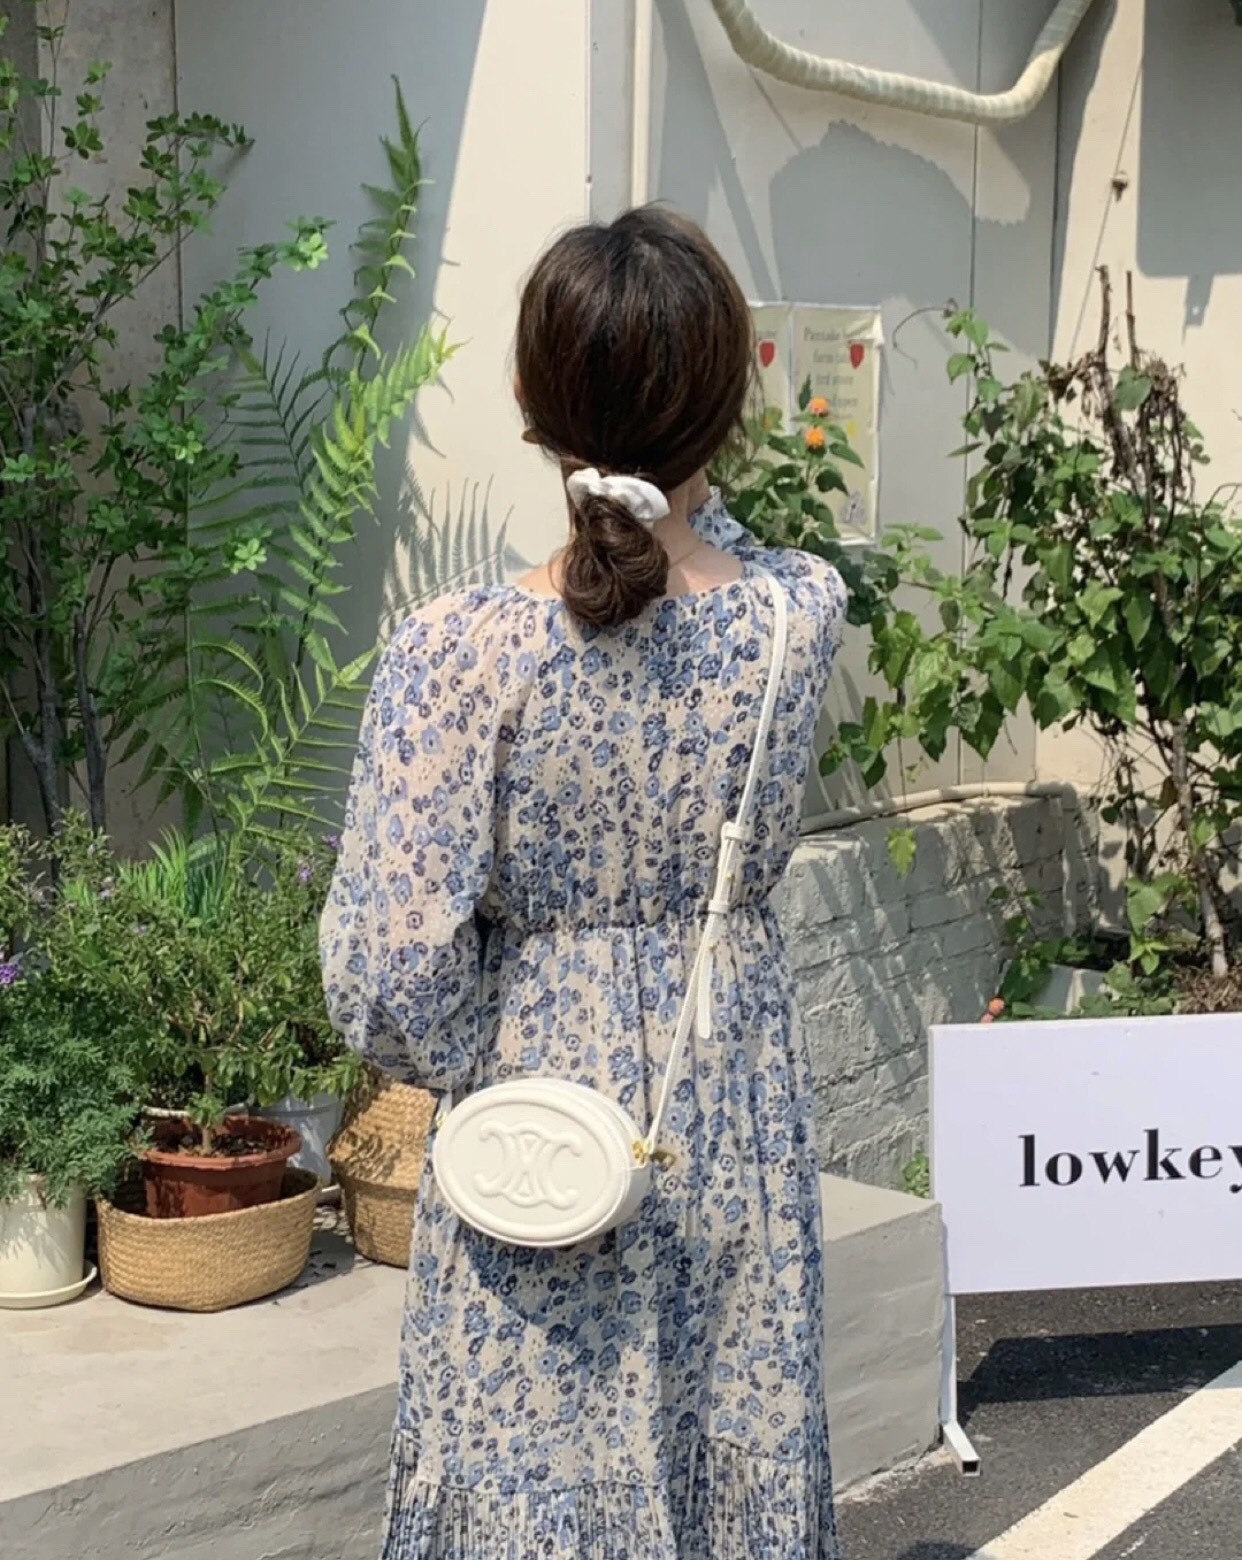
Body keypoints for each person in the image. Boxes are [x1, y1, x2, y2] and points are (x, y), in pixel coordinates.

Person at [321, 207, 848, 1560]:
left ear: (525, 396)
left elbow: (389, 980)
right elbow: (708, 549)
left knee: (531, 1480)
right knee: (726, 1447)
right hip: (727, 1099)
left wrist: (495, 1044)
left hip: (538, 1121)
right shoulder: (797, 613)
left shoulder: (454, 652)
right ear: (729, 401)